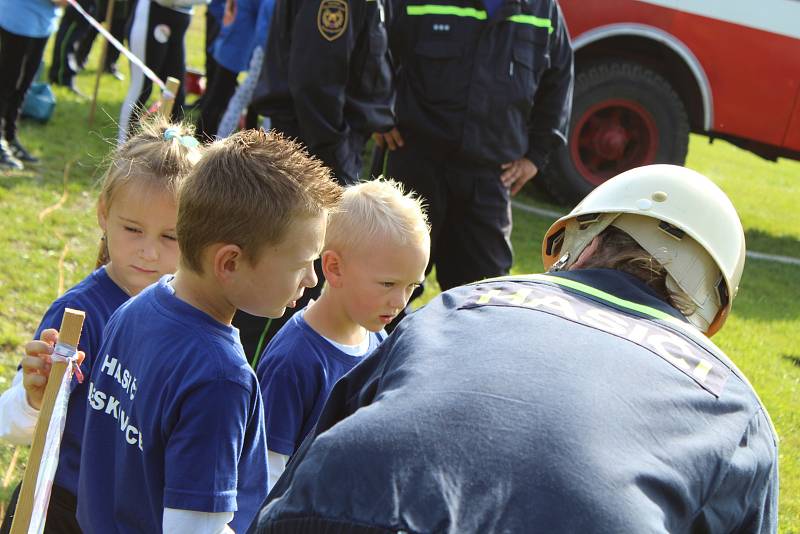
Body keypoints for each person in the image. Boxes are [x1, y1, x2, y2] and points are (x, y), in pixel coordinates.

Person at [251, 165, 779, 533]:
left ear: (582, 241)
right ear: (712, 307)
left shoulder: (462, 302)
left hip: (337, 505)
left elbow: (334, 433)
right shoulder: (734, 404)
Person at [76, 129, 342, 533]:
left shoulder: (136, 307)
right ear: (230, 262)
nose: (311, 279)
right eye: (302, 264)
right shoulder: (220, 379)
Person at [0, 117, 200, 534]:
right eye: (132, 229)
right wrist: (35, 398)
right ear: (104, 216)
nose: (148, 251)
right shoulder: (79, 313)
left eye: (170, 237)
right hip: (60, 510)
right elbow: (13, 425)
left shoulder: (193, 317)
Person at [374, 0, 573, 298]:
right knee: (387, 283)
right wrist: (379, 113)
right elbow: (378, 49)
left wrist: (536, 155)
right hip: (418, 165)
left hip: (489, 178)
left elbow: (559, 79)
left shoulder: (542, 8)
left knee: (483, 297)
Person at [257, 179, 429, 489]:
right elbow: (267, 466)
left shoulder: (380, 344)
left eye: (412, 286)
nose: (400, 302)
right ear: (334, 268)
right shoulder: (294, 359)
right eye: (389, 284)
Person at [117, 0, 205, 144]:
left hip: (180, 20)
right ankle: (122, 149)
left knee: (176, 95)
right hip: (153, 16)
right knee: (141, 88)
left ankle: (170, 152)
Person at [0, 0, 65, 170]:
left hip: (43, 22)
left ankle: (9, 136)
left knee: (24, 85)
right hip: (18, 18)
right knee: (7, 84)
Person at [196, 0, 275, 140]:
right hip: (234, 48)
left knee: (222, 97)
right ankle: (203, 137)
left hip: (236, 44)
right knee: (219, 98)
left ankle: (208, 135)